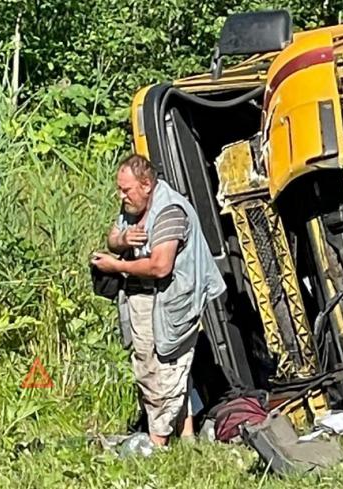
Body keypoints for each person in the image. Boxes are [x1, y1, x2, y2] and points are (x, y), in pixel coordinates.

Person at [92, 154, 226, 446]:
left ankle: (157, 446)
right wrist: (123, 241)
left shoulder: (170, 212)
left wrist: (116, 267)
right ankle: (187, 436)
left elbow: (160, 266)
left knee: (162, 371)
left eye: (125, 190)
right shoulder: (133, 204)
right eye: (120, 188)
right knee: (160, 367)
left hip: (172, 300)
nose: (121, 195)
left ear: (147, 185)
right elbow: (112, 237)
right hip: (143, 297)